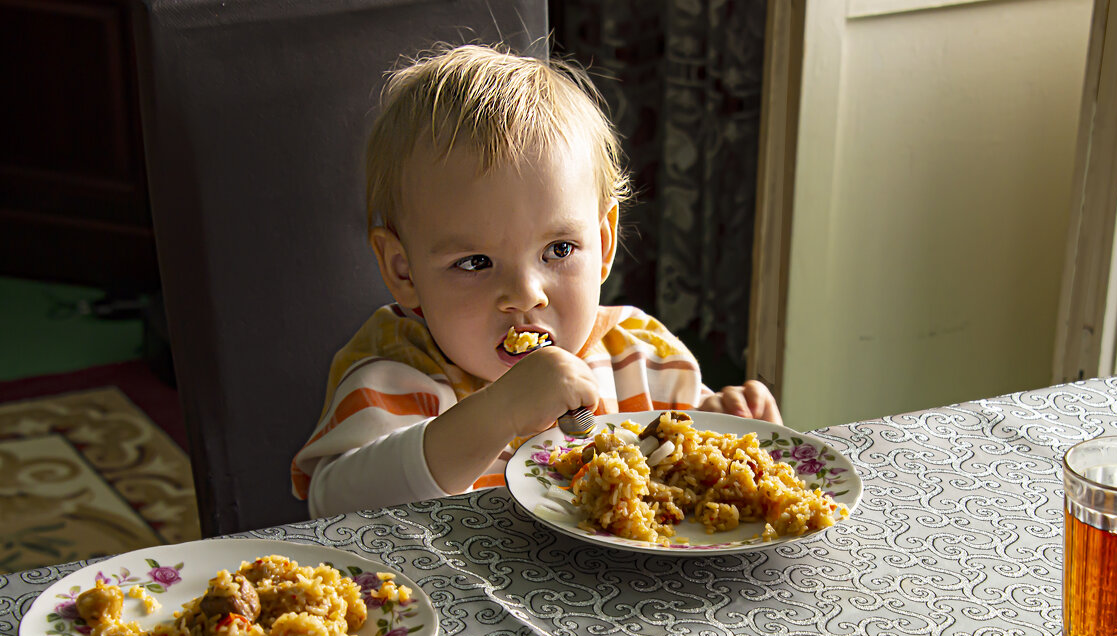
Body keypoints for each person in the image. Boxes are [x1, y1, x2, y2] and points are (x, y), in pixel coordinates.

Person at [291, 43, 780, 517]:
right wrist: (499, 412)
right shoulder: (397, 374)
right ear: (404, 270)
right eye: (475, 262)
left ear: (605, 244)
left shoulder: (639, 359)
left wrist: (727, 425)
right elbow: (335, 506)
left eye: (559, 250)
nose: (526, 293)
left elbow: (688, 465)